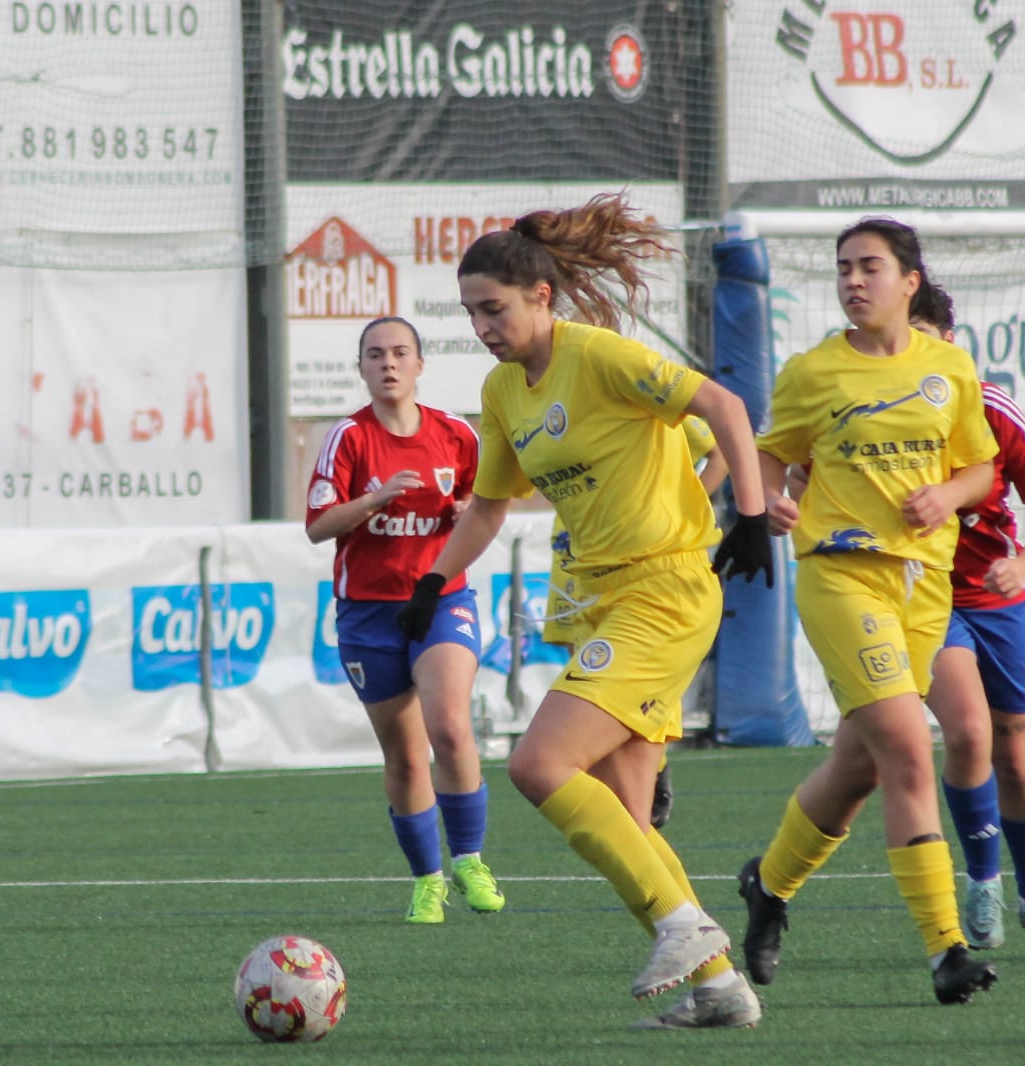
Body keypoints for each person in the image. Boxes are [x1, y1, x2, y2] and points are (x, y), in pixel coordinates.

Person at [396, 192, 775, 1030]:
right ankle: (719, 987)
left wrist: (750, 515)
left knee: (537, 767)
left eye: (493, 308)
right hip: (602, 603)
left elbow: (727, 408)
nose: (482, 326)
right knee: (630, 822)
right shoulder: (501, 392)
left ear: (540, 295)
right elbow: (490, 508)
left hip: (664, 592)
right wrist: (431, 580)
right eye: (469, 313)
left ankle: (682, 928)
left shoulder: (598, 355)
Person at [737, 218, 1002, 1005]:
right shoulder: (813, 370)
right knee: (909, 752)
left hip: (923, 586)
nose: (854, 280)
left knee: (856, 768)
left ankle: (769, 887)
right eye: (844, 268)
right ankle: (946, 948)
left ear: (909, 280)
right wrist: (768, 503)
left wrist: (949, 492)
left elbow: (981, 466)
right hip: (842, 575)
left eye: (871, 267)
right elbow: (766, 452)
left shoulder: (948, 366)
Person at [305, 316, 506, 925]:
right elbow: (317, 526)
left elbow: (487, 506)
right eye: (375, 355)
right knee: (405, 755)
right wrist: (374, 500)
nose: (388, 364)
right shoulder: (348, 439)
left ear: (420, 365)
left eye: (399, 353)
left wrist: (465, 511)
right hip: (368, 612)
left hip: (440, 598)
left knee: (448, 725)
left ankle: (470, 858)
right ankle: (428, 879)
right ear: (361, 368)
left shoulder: (456, 436)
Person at [909, 284, 1025, 961]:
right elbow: (809, 475)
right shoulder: (879, 409)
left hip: (997, 600)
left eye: (925, 342)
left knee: (1015, 751)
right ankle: (981, 883)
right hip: (927, 598)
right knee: (969, 731)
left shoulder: (991, 408)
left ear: (949, 343)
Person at [544, 415, 727, 828]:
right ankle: (631, 792)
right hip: (578, 554)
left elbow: (720, 448)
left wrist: (684, 501)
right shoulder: (542, 397)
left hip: (644, 567)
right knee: (588, 681)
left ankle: (651, 768)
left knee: (624, 692)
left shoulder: (644, 391)